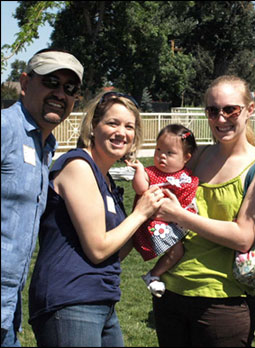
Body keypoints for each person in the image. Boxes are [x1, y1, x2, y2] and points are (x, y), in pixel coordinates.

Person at [149, 75, 255, 346]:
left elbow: (243, 236)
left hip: (224, 301)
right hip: (171, 292)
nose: (221, 119)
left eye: (230, 110)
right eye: (213, 111)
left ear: (249, 110)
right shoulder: (196, 156)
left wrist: (180, 215)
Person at [27, 91, 163, 347]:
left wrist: (151, 217)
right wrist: (139, 214)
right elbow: (98, 248)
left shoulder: (107, 180)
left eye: (129, 126)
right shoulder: (78, 166)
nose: (121, 132)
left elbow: (116, 252)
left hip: (101, 298)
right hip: (70, 300)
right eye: (112, 123)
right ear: (93, 126)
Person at [1, 48, 84, 347]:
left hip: (10, 304)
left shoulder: (44, 144)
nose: (60, 93)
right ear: (24, 83)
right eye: (51, 82)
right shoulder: (5, 128)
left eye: (70, 88)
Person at [126, 124, 199, 298]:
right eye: (159, 149)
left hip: (175, 221)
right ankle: (154, 275)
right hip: (155, 223)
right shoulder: (151, 172)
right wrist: (138, 171)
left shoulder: (186, 177)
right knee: (176, 252)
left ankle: (155, 274)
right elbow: (140, 188)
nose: (162, 156)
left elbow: (188, 199)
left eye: (170, 153)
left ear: (186, 157)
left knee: (178, 252)